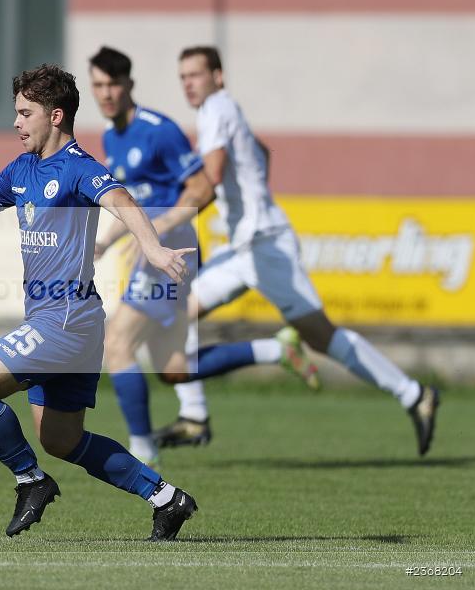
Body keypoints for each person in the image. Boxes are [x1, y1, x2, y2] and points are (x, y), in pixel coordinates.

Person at [0, 64, 198, 540]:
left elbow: (123, 201)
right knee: (61, 439)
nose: (16, 123)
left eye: (24, 113)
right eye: (15, 113)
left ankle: (31, 482)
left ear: (55, 115)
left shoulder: (78, 167)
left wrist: (152, 247)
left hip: (65, 320)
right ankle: (167, 499)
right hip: (68, 322)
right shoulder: (22, 169)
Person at [156, 46, 439, 456]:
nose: (188, 84)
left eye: (196, 75)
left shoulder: (217, 108)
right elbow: (261, 153)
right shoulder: (222, 111)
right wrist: (254, 195)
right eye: (183, 77)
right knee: (177, 316)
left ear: (218, 76)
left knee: (323, 336)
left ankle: (415, 394)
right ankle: (195, 415)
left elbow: (211, 178)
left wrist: (162, 224)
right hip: (245, 249)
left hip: (266, 247)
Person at [87, 46, 320, 465]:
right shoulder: (111, 137)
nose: (105, 94)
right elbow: (132, 201)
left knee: (118, 343)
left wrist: (158, 232)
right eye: (98, 85)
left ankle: (142, 451)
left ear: (129, 85)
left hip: (171, 251)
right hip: (149, 251)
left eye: (112, 84)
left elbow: (200, 186)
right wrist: (106, 242)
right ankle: (276, 350)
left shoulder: (158, 130)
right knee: (174, 368)